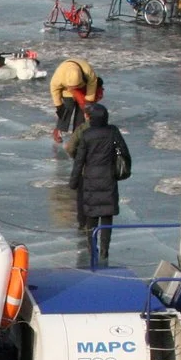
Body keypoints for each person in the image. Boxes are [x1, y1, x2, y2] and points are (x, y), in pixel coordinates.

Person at [69, 102, 131, 268]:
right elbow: (124, 152)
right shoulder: (113, 132)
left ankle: (92, 248)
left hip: (90, 180)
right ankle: (105, 249)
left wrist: (74, 181)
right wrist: (125, 170)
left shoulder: (87, 135)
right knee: (106, 216)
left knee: (91, 217)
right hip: (108, 178)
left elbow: (79, 161)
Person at [48, 56, 101, 143]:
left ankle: (77, 134)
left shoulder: (87, 71)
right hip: (67, 90)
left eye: (75, 86)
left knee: (82, 110)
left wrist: (88, 102)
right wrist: (59, 105)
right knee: (67, 108)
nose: (74, 88)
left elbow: (92, 83)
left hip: (83, 88)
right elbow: (54, 89)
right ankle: (58, 131)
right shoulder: (60, 75)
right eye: (73, 86)